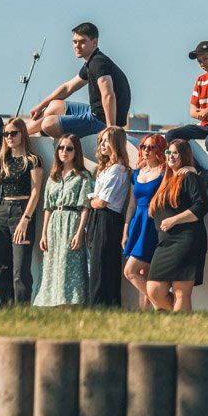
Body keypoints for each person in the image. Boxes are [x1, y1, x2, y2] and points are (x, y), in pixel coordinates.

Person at [26, 22, 132, 139]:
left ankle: (72, 147)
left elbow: (108, 95)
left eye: (82, 42)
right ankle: (19, 133)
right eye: (75, 42)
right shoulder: (92, 61)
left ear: (94, 42)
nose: (77, 46)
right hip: (94, 113)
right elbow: (68, 88)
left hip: (102, 120)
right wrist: (41, 106)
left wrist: (110, 130)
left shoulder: (98, 63)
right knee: (54, 105)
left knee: (48, 124)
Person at [146, 139, 208, 313]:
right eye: (168, 152)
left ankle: (180, 328)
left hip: (186, 241)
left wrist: (174, 220)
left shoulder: (189, 176)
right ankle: (179, 317)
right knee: (153, 289)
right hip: (165, 243)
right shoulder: (166, 180)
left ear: (184, 156)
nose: (171, 156)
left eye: (175, 152)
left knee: (181, 293)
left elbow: (201, 206)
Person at [34, 135, 93, 307]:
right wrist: (44, 233)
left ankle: (71, 304)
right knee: (52, 264)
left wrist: (79, 232)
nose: (64, 152)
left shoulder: (83, 176)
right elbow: (48, 207)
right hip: (54, 224)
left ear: (76, 152)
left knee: (70, 265)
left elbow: (85, 207)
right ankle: (52, 305)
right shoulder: (53, 177)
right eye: (61, 148)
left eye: (69, 148)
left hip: (72, 222)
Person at [0, 117, 43, 307]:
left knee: (20, 269)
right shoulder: (1, 160)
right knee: (2, 266)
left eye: (13, 133)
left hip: (22, 211)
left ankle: (22, 311)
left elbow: (36, 191)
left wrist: (25, 219)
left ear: (22, 134)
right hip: (2, 212)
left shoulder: (33, 160)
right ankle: (5, 308)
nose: (9, 137)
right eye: (6, 134)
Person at [88, 126, 132, 308]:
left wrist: (91, 199)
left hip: (108, 219)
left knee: (103, 267)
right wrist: (94, 199)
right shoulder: (106, 168)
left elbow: (102, 202)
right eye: (102, 141)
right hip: (99, 218)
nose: (103, 144)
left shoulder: (118, 169)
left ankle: (102, 306)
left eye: (107, 140)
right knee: (98, 265)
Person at [122, 133, 165, 309]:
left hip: (152, 224)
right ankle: (148, 312)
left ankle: (161, 303)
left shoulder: (164, 172)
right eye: (144, 147)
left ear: (159, 150)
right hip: (137, 223)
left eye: (151, 147)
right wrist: (126, 229)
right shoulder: (137, 173)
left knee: (130, 271)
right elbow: (131, 204)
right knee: (142, 273)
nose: (146, 150)